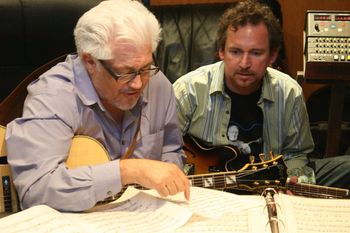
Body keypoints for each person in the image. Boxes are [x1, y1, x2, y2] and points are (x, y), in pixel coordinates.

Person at [6, 0, 190, 212]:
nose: (138, 83)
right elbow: (35, 191)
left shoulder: (158, 84)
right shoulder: (53, 96)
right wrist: (126, 171)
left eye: (145, 68)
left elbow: (171, 151)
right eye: (125, 72)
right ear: (90, 62)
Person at [173, 0, 350, 191]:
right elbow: (165, 151)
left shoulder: (289, 93)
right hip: (208, 190)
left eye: (256, 53)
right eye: (235, 51)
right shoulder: (187, 90)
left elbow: (296, 154)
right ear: (221, 51)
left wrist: (296, 182)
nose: (244, 63)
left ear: (272, 56)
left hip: (266, 186)